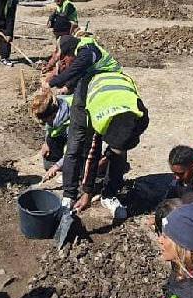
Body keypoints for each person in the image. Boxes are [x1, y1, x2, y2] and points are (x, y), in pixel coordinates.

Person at [53, 63, 147, 214]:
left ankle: (109, 195)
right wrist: (87, 193)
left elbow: (121, 145)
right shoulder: (100, 119)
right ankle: (69, 195)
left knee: (119, 154)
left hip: (119, 91)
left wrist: (111, 154)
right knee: (76, 145)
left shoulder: (140, 117)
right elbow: (93, 154)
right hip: (88, 91)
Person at [30, 89, 73, 173]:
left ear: (53, 115)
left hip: (84, 141)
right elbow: (49, 128)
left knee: (71, 166)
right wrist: (46, 143)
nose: (46, 124)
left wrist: (57, 166)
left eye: (46, 121)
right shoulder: (55, 105)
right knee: (48, 164)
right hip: (63, 131)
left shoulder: (74, 115)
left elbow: (73, 150)